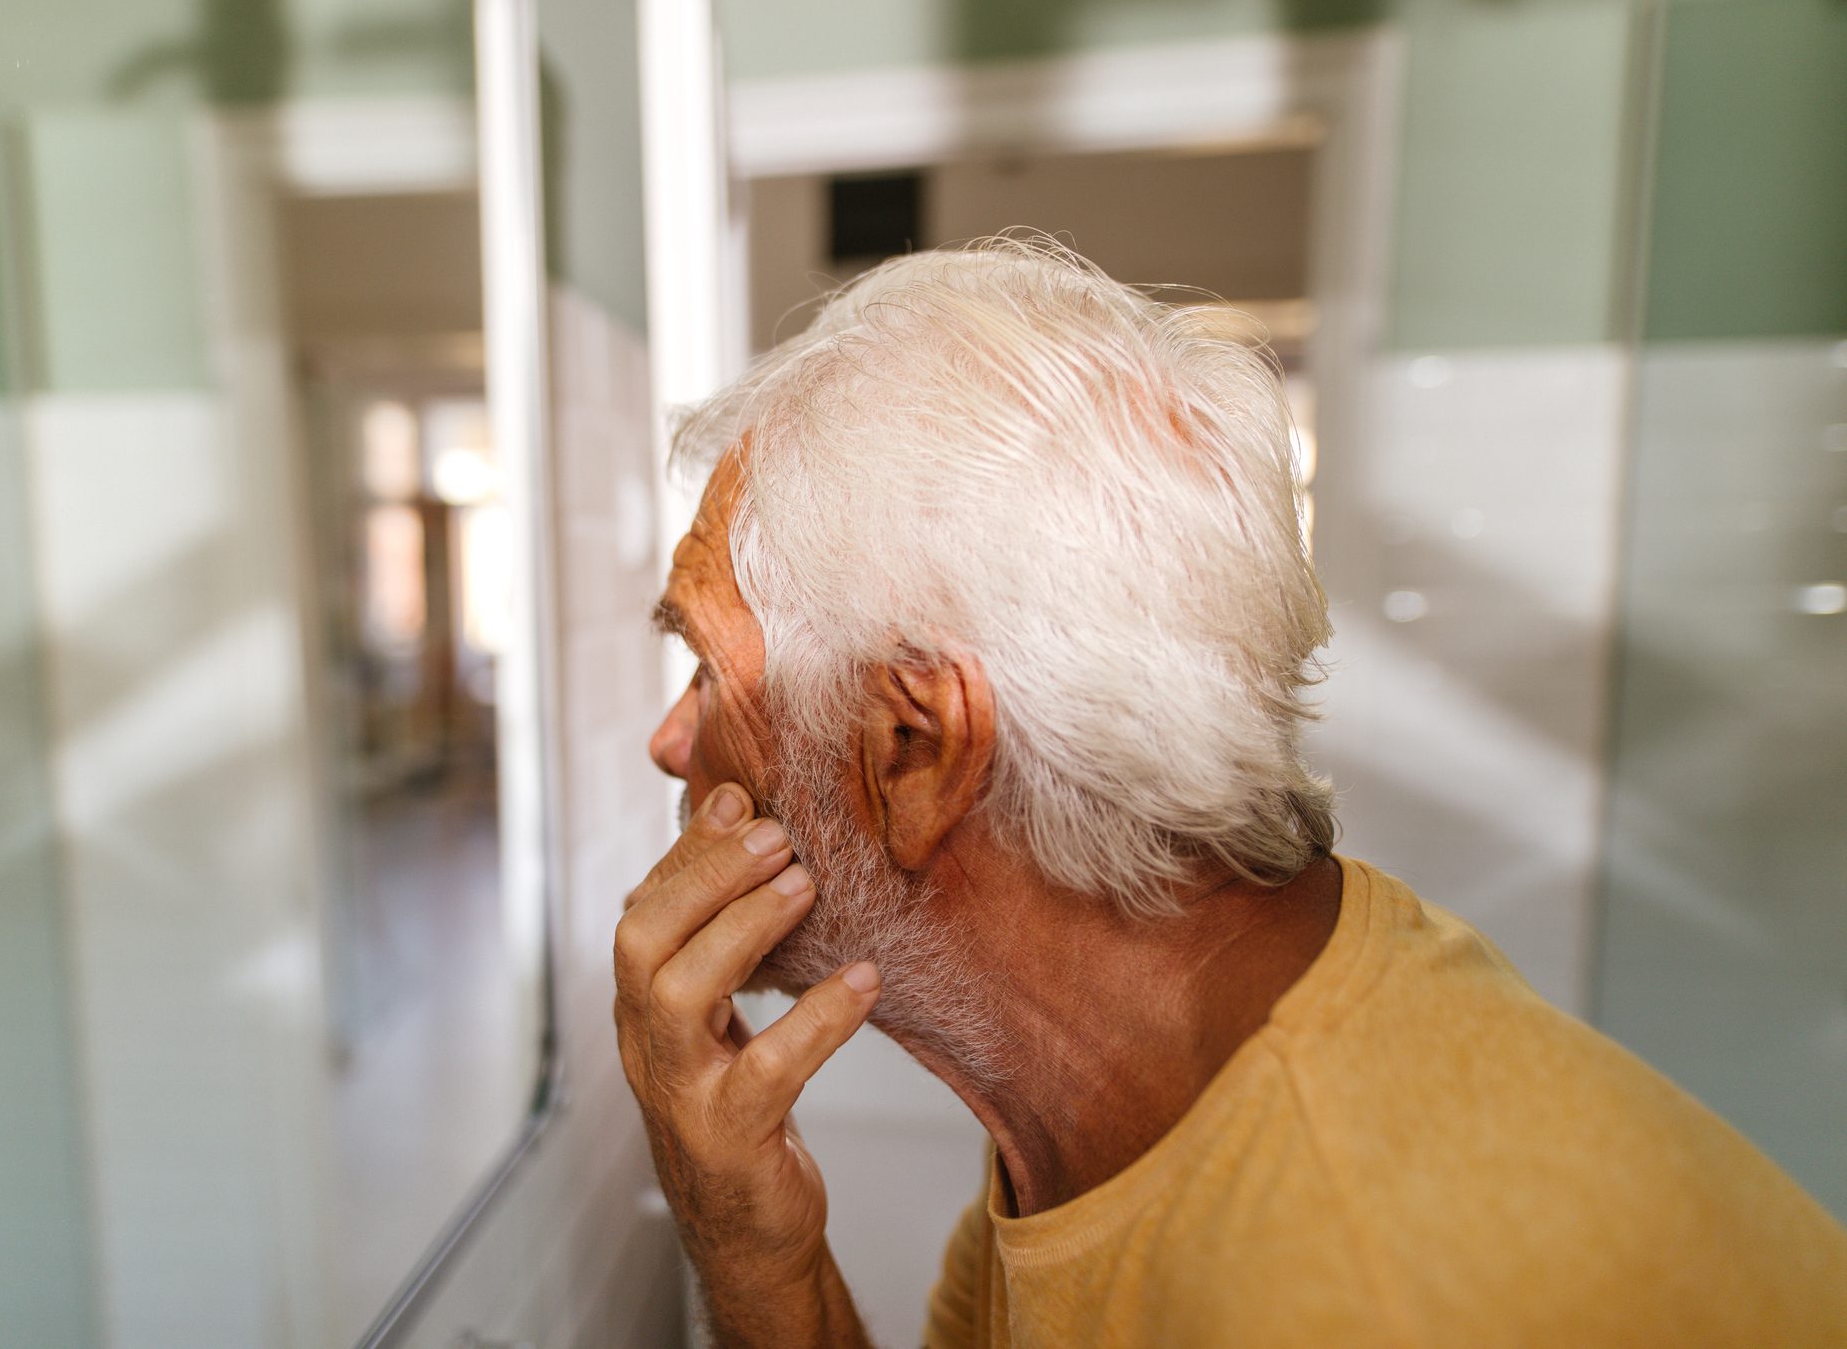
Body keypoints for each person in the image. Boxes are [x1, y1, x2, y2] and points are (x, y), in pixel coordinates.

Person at [613, 239, 1847, 1347]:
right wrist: (755, 1253)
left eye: (708, 670)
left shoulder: (1361, 1290)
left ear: (913, 749)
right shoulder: (1103, 1112)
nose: (676, 742)